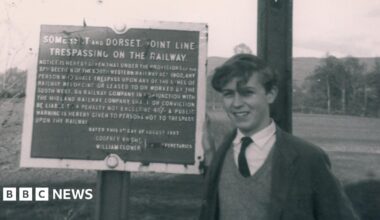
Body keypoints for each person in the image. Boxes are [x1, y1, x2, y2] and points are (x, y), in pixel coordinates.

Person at [199, 54, 359, 220]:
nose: (237, 103)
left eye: (247, 93)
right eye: (228, 94)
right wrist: (209, 155)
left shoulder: (309, 158)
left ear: (271, 94)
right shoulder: (220, 153)